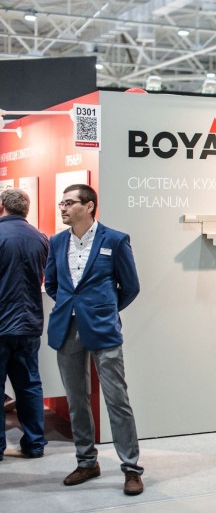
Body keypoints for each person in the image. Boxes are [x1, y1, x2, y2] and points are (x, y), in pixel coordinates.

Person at [44, 184, 144, 495]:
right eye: (61, 203)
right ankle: (87, 462)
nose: (62, 207)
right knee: (76, 401)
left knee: (117, 400)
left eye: (69, 202)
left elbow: (130, 287)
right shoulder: (56, 241)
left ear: (88, 206)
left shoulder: (114, 239)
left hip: (103, 329)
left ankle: (131, 468)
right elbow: (52, 284)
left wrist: (103, 309)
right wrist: (71, 306)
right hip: (67, 328)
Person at [0, 188, 49, 461]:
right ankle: (34, 443)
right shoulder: (40, 237)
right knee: (29, 385)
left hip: (1, 323)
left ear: (2, 206)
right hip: (29, 323)